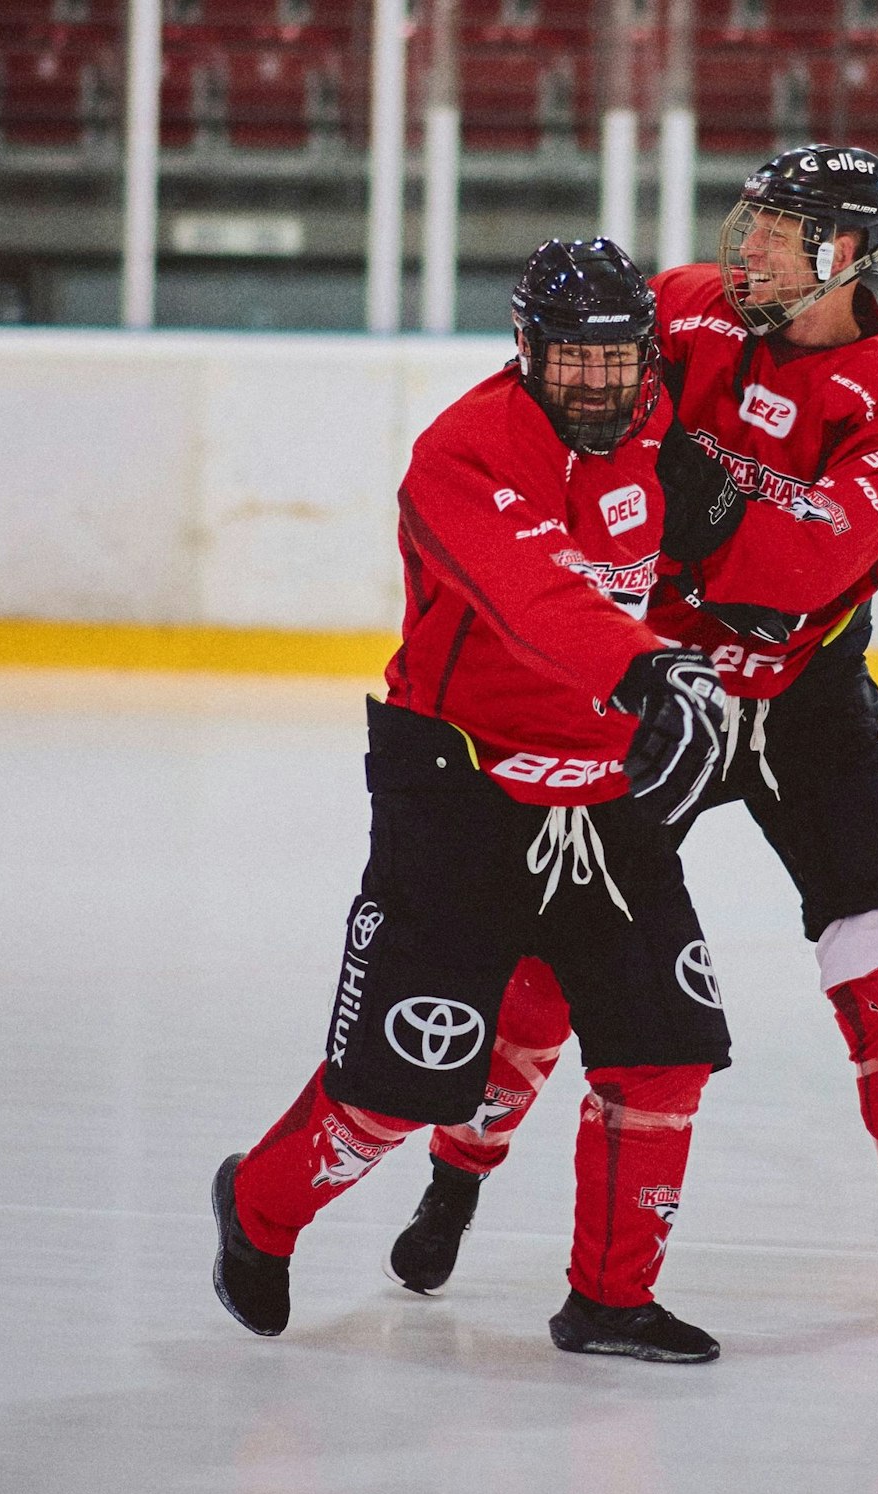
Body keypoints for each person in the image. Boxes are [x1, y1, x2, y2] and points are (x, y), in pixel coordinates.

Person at [386, 145, 878, 1325]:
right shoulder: (678, 307)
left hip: (809, 699)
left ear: (850, 254)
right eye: (754, 219)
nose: (752, 246)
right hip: (663, 687)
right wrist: (691, 524)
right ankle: (454, 1182)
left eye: (787, 230)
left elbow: (797, 568)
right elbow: (568, 447)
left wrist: (704, 506)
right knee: (556, 951)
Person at [209, 238, 742, 1364]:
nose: (594, 385)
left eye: (616, 361)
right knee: (400, 1087)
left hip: (607, 798)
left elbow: (732, 306)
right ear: (525, 351)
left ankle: (608, 1299)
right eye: (569, 362)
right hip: (459, 791)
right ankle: (258, 1209)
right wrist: (651, 671)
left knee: (664, 1050)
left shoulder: (659, 430)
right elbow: (534, 598)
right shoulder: (461, 451)